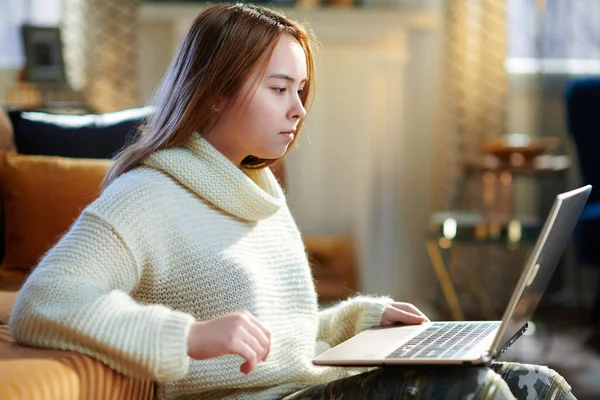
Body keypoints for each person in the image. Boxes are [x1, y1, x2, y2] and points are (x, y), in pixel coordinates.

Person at [9, 3, 575, 399]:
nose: (298, 110)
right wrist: (185, 336)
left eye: (300, 91)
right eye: (280, 89)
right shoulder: (146, 196)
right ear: (211, 96)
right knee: (473, 389)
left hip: (301, 387)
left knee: (542, 383)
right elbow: (45, 300)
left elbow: (277, 339)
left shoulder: (256, 189)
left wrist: (360, 319)